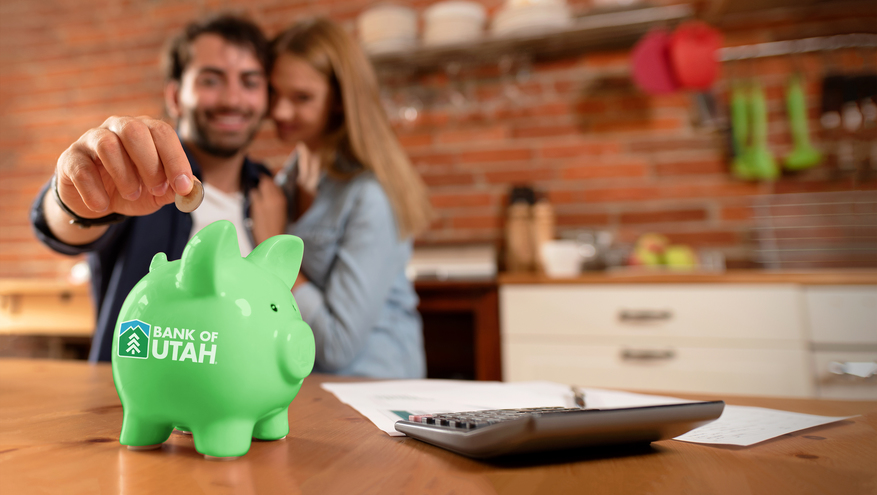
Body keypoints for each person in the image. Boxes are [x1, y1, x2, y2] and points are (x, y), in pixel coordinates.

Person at [30, 14, 285, 362]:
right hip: (138, 404)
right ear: (176, 96)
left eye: (250, 82)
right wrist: (73, 199)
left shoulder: (273, 191)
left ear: (266, 98)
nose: (233, 99)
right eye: (211, 80)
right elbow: (63, 227)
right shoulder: (139, 172)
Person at [267, 18, 434, 378]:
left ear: (340, 101)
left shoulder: (370, 195)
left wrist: (272, 250)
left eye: (302, 98)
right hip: (314, 391)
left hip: (377, 397)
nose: (279, 112)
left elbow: (337, 346)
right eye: (273, 94)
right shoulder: (281, 186)